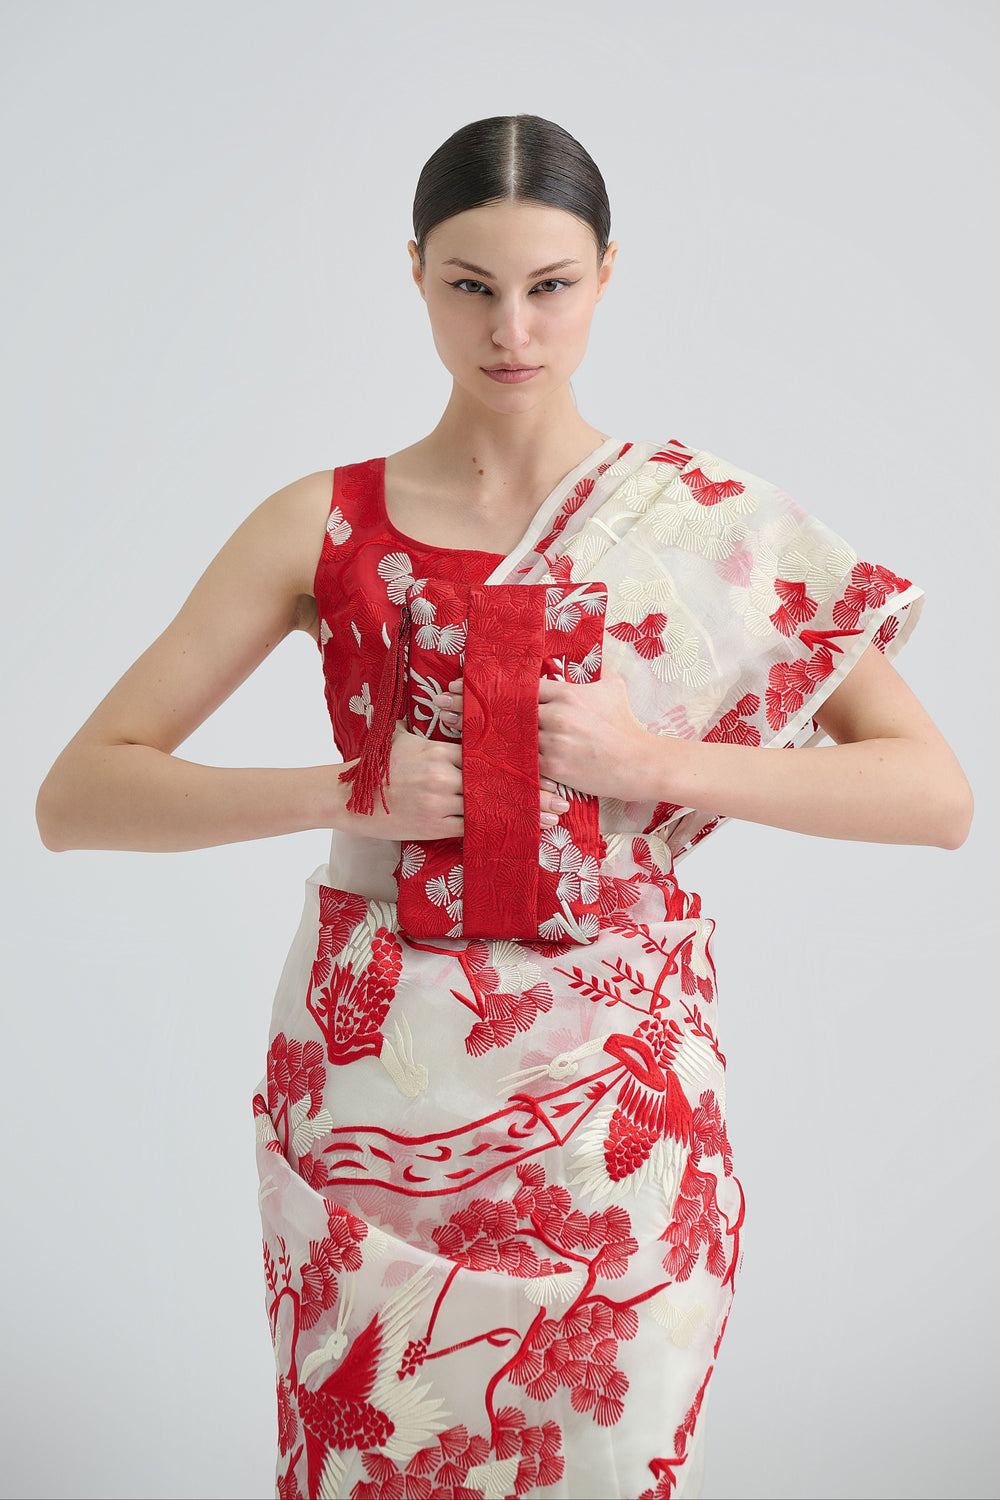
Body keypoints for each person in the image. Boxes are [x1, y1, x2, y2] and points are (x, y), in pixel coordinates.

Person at [36, 114, 972, 1500]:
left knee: (602, 1453)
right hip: (371, 1084)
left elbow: (934, 795)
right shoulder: (324, 521)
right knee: (377, 1457)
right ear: (416, 275)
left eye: (551, 285)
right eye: (470, 285)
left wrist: (653, 765)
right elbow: (80, 793)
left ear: (606, 276)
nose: (512, 327)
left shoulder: (706, 525)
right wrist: (345, 791)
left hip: (618, 1101)